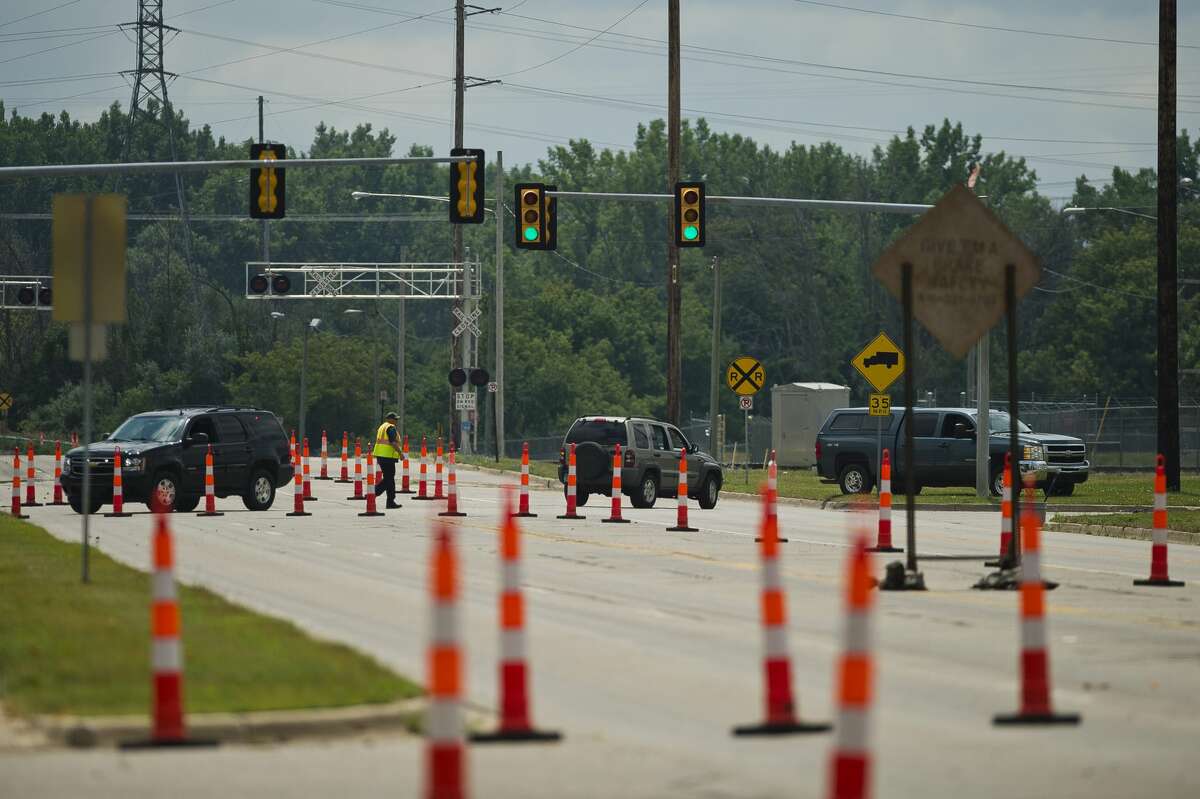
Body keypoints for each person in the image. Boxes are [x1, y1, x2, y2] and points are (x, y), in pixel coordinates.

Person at [372, 411, 402, 508]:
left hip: (382, 456)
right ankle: (373, 493)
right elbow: (393, 442)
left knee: (389, 479)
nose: (396, 421)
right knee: (389, 479)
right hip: (387, 457)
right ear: (390, 419)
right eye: (395, 419)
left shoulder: (382, 427)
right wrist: (400, 453)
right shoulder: (390, 427)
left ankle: (390, 501)